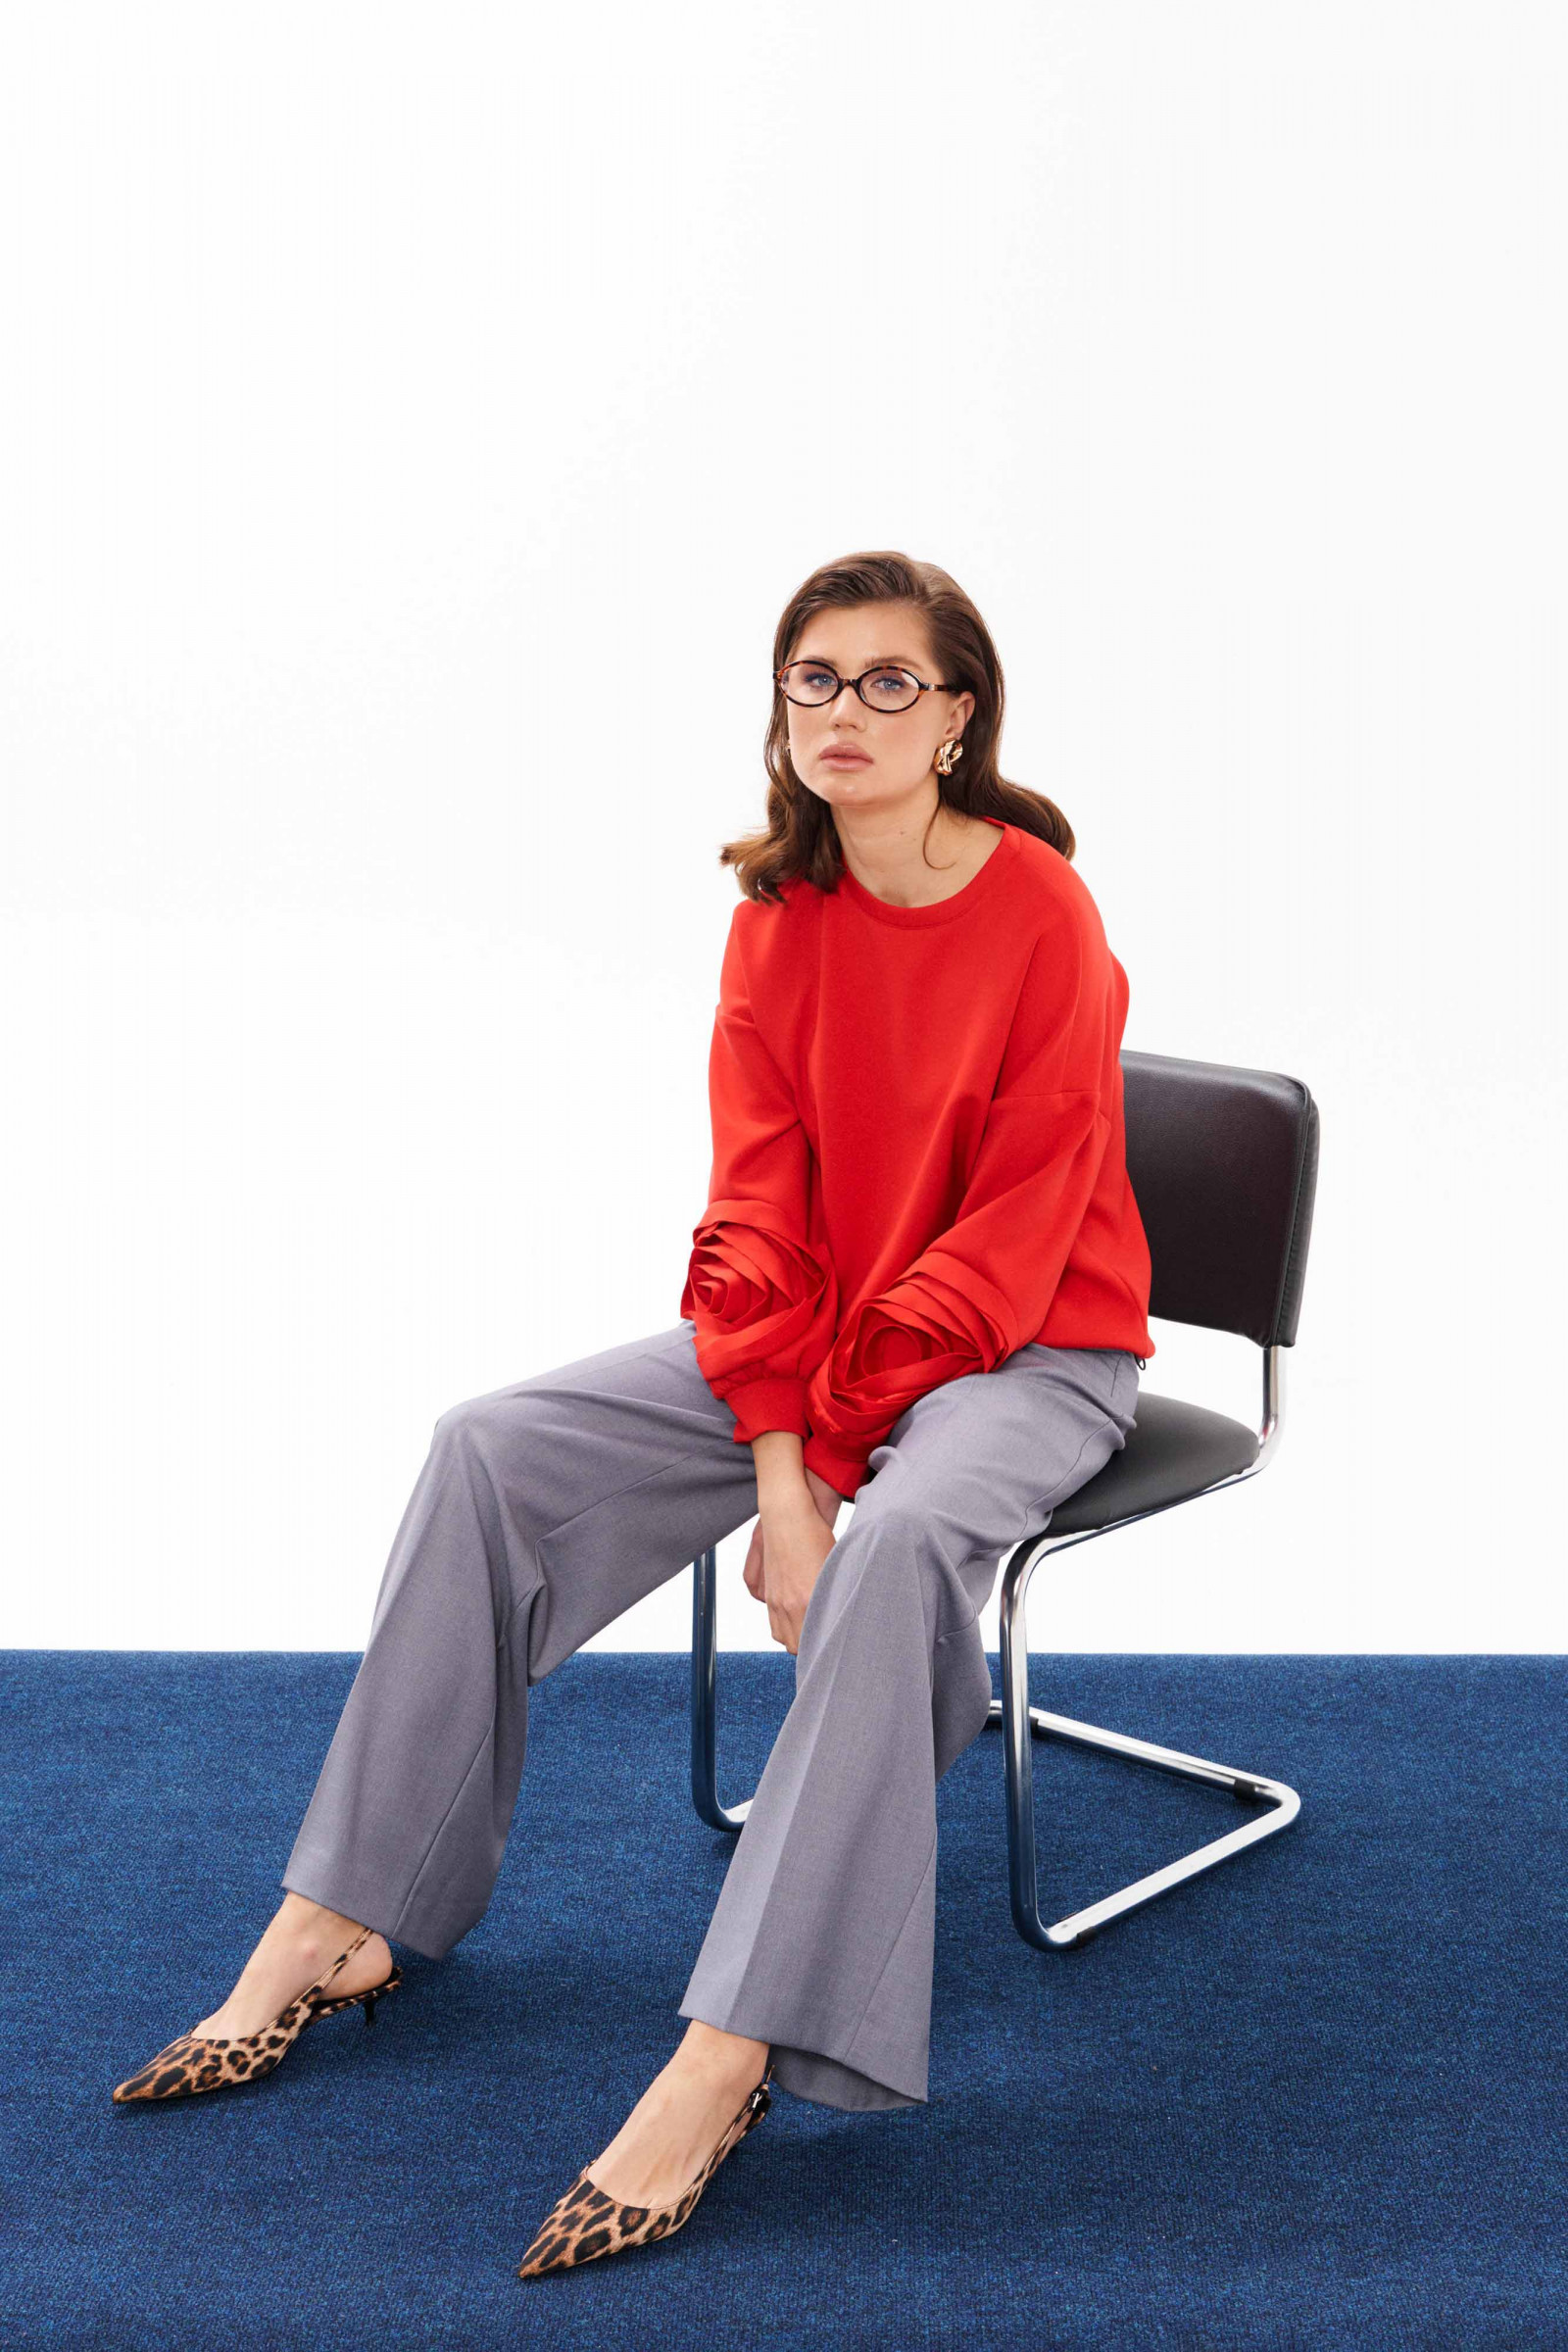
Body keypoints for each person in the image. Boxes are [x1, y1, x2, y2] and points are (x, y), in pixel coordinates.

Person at [112, 549, 1155, 2280]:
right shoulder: (778, 914)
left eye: (889, 681)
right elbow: (756, 1215)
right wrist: (787, 1470)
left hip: (1032, 1342)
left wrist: (837, 1470)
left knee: (899, 1544)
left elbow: (1020, 1223)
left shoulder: (1042, 909)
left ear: (959, 716)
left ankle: (728, 2056)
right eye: (814, 678)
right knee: (492, 1446)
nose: (844, 711)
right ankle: (341, 1915)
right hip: (822, 1337)